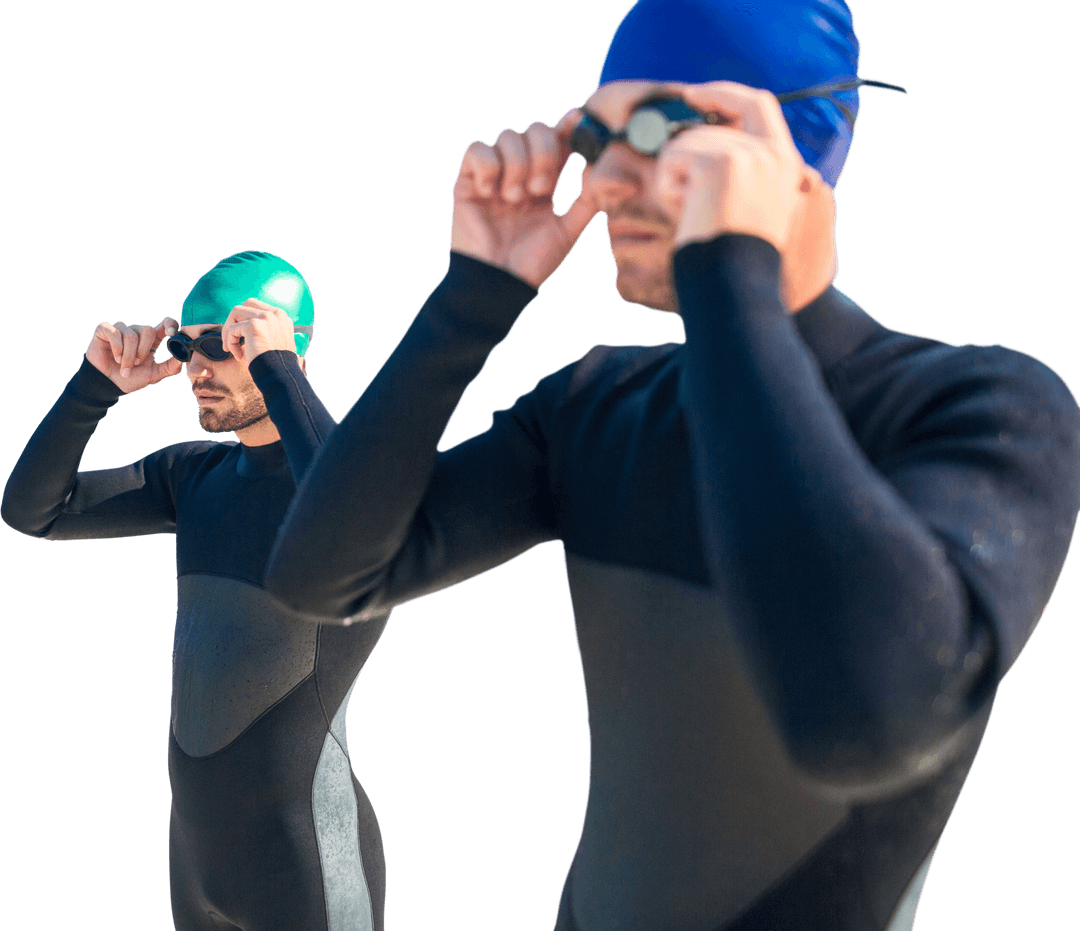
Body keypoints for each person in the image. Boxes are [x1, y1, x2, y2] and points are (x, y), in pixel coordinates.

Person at [263, 2, 1080, 929]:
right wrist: (471, 300)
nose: (608, 182)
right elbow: (322, 574)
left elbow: (866, 717)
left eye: (657, 130)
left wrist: (729, 261)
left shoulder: (985, 405)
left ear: (795, 146)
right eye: (597, 137)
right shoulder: (599, 404)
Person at [1, 251, 385, 931]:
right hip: (195, 866)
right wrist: (97, 384)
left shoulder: (357, 483)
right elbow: (35, 509)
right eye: (187, 344)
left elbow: (347, 509)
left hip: (306, 871)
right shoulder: (194, 474)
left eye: (223, 344)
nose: (197, 366)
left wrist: (279, 368)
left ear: (287, 346)